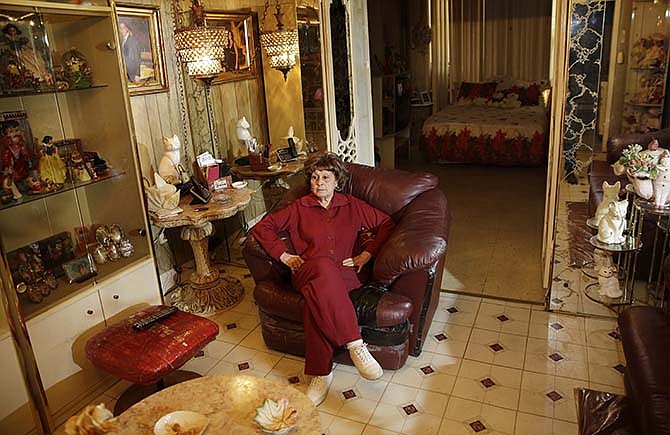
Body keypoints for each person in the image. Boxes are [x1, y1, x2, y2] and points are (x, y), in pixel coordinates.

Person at [252, 153, 395, 406]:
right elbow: (262, 228)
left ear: (337, 181)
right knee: (321, 266)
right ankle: (356, 345)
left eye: (325, 178)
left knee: (313, 303)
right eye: (314, 177)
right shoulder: (299, 207)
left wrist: (367, 253)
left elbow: (386, 223)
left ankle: (320, 374)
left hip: (345, 277)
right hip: (308, 271)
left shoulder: (352, 205)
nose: (319, 183)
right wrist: (284, 256)